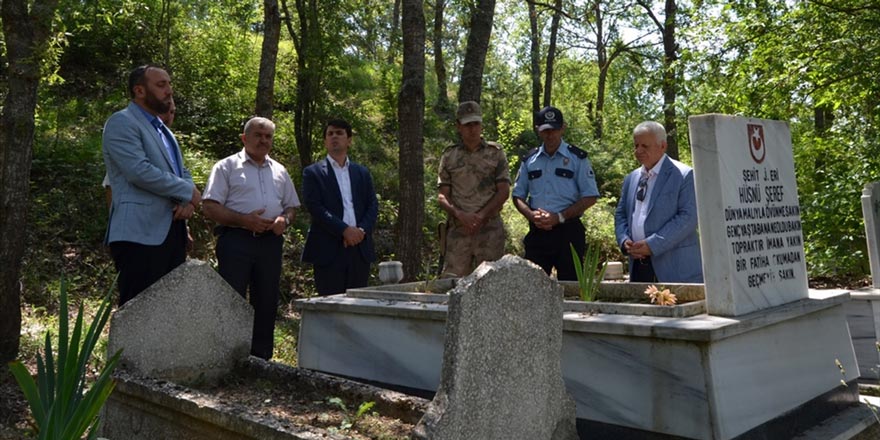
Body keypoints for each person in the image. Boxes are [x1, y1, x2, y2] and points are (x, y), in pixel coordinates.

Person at [202, 116, 300, 360]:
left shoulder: (280, 170)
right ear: (244, 138)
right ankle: (226, 357)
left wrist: (284, 221)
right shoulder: (226, 167)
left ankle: (261, 360)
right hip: (236, 240)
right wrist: (245, 220)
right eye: (258, 135)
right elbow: (210, 206)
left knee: (267, 300)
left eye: (268, 136)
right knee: (231, 299)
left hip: (270, 243)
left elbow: (291, 207)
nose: (263, 140)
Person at [103, 64, 201, 305]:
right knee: (139, 314)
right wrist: (188, 191)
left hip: (173, 233)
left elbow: (182, 171)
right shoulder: (121, 122)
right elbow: (139, 171)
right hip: (139, 236)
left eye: (169, 84)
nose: (169, 90)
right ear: (139, 91)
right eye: (161, 85)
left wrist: (187, 198)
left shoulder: (163, 131)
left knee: (168, 315)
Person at [512, 106, 599, 280]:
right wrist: (531, 215)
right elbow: (517, 196)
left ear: (563, 128)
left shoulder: (577, 158)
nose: (550, 135)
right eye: (545, 131)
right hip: (537, 233)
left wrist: (559, 217)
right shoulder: (530, 160)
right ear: (538, 130)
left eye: (554, 130)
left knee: (571, 288)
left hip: (568, 231)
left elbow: (590, 196)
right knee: (532, 289)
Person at [614, 121, 702, 283]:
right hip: (638, 264)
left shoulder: (684, 175)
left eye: (644, 146)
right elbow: (621, 214)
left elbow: (688, 217)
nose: (638, 151)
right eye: (636, 145)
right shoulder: (631, 178)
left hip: (675, 268)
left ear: (662, 146)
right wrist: (624, 239)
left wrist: (652, 245)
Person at [301, 119, 378, 295]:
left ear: (349, 140)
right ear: (325, 141)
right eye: (330, 134)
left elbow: (372, 205)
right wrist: (344, 230)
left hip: (359, 249)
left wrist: (360, 231)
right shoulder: (313, 172)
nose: (334, 136)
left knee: (357, 307)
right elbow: (314, 207)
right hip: (328, 249)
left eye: (339, 133)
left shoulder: (362, 172)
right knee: (330, 308)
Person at [436, 101, 510, 277]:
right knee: (454, 285)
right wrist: (461, 215)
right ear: (458, 126)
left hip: (489, 231)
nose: (472, 129)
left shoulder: (495, 153)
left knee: (492, 285)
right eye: (468, 124)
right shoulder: (449, 156)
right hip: (459, 233)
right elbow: (442, 196)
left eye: (476, 123)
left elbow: (504, 191)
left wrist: (480, 216)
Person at [104, 99, 176, 207]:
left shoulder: (170, 144)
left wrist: (186, 202)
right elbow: (112, 187)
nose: (168, 117)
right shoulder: (136, 143)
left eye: (172, 112)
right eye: (164, 112)